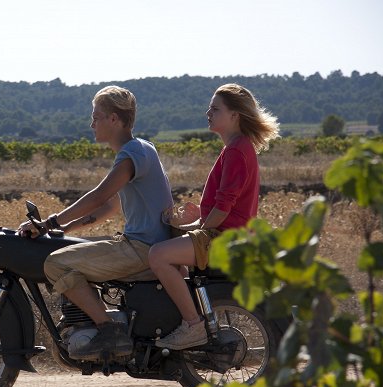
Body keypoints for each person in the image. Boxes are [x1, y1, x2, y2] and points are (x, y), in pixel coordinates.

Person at [18, 85, 173, 360]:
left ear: (114, 119)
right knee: (70, 251)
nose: (91, 124)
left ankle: (109, 330)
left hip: (141, 248)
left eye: (96, 116)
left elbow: (99, 195)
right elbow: (108, 206)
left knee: (55, 263)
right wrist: (65, 229)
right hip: (144, 245)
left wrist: (48, 223)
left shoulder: (132, 152)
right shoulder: (141, 149)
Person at [148, 83, 280, 350]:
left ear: (234, 116)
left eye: (215, 109)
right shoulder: (239, 147)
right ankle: (191, 317)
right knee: (173, 259)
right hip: (229, 234)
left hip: (224, 238)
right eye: (209, 108)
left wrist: (198, 230)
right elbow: (224, 209)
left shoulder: (235, 150)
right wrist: (194, 223)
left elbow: (224, 208)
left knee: (157, 255)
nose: (208, 113)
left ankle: (193, 326)